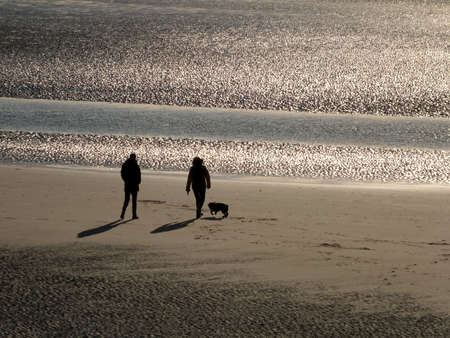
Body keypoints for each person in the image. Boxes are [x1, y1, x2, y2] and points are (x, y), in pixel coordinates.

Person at [120, 153, 141, 219]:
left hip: (128, 184)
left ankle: (123, 213)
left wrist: (125, 180)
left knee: (126, 200)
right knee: (134, 201)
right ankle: (134, 215)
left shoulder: (125, 164)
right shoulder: (135, 164)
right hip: (134, 185)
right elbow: (138, 174)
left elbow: (122, 173)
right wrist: (138, 182)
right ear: (134, 157)